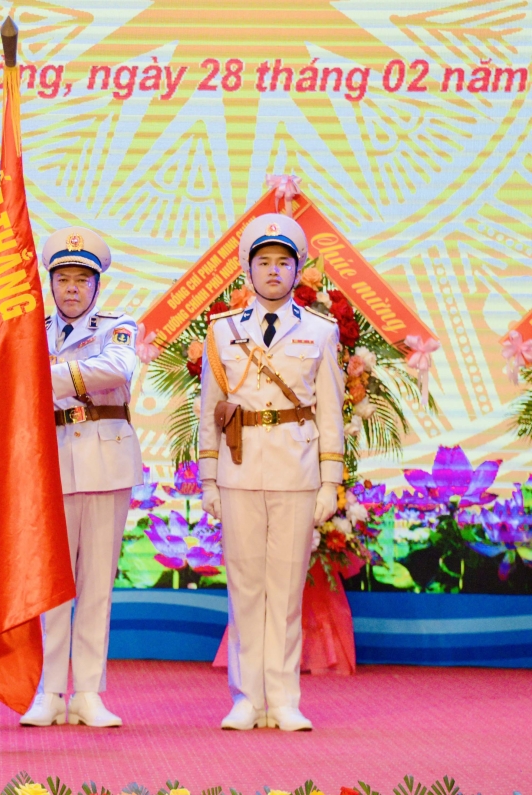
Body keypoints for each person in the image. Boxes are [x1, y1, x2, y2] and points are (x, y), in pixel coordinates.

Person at [197, 213, 344, 732]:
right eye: (264, 262)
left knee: (284, 590)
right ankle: (245, 697)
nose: (274, 271)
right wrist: (208, 478)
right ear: (248, 269)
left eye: (284, 262)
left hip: (296, 471)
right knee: (244, 587)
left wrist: (330, 482)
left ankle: (282, 698)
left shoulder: (321, 331)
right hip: (237, 470)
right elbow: (209, 409)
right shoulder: (222, 330)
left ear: (298, 270)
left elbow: (330, 412)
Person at [19, 227, 143, 729]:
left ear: (96, 285)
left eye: (81, 280)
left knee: (96, 584)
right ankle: (50, 691)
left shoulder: (119, 326)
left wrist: (35, 375)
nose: (72, 289)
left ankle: (89, 691)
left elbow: (115, 370)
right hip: (49, 463)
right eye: (63, 279)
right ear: (50, 283)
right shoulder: (30, 329)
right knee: (52, 585)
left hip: (106, 462)